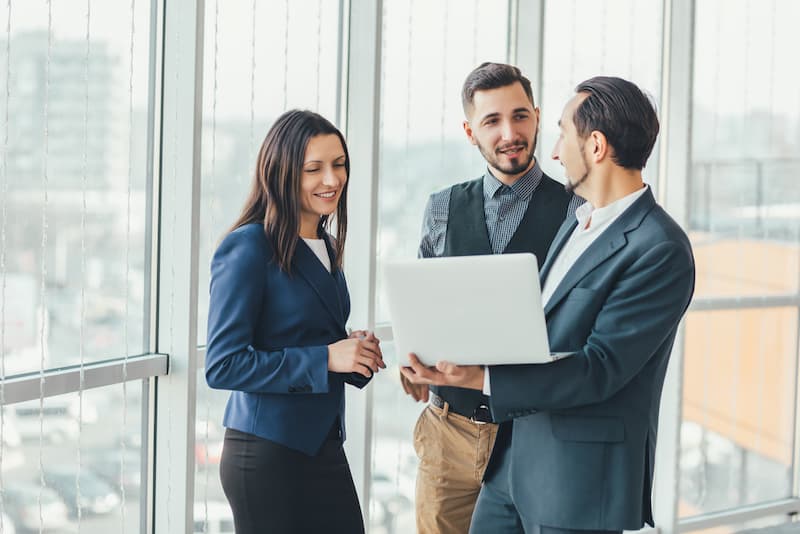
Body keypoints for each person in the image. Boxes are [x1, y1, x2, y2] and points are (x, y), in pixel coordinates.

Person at [402, 76, 696, 534]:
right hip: (514, 466)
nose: (555, 151)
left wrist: (481, 378)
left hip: (576, 485)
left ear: (595, 146)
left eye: (562, 133)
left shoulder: (659, 248)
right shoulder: (579, 222)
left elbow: (598, 368)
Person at [400, 62, 581, 534]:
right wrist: (411, 363)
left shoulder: (577, 211)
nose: (510, 133)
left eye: (520, 116)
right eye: (492, 121)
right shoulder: (441, 207)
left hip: (533, 434)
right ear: (470, 131)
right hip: (447, 433)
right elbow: (423, 307)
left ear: (538, 118)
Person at [205, 109, 385, 534]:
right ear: (282, 173)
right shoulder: (248, 247)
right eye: (314, 169)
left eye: (339, 165)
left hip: (321, 445)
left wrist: (354, 353)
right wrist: (326, 358)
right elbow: (223, 364)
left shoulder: (324, 243)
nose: (332, 179)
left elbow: (310, 336)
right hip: (266, 455)